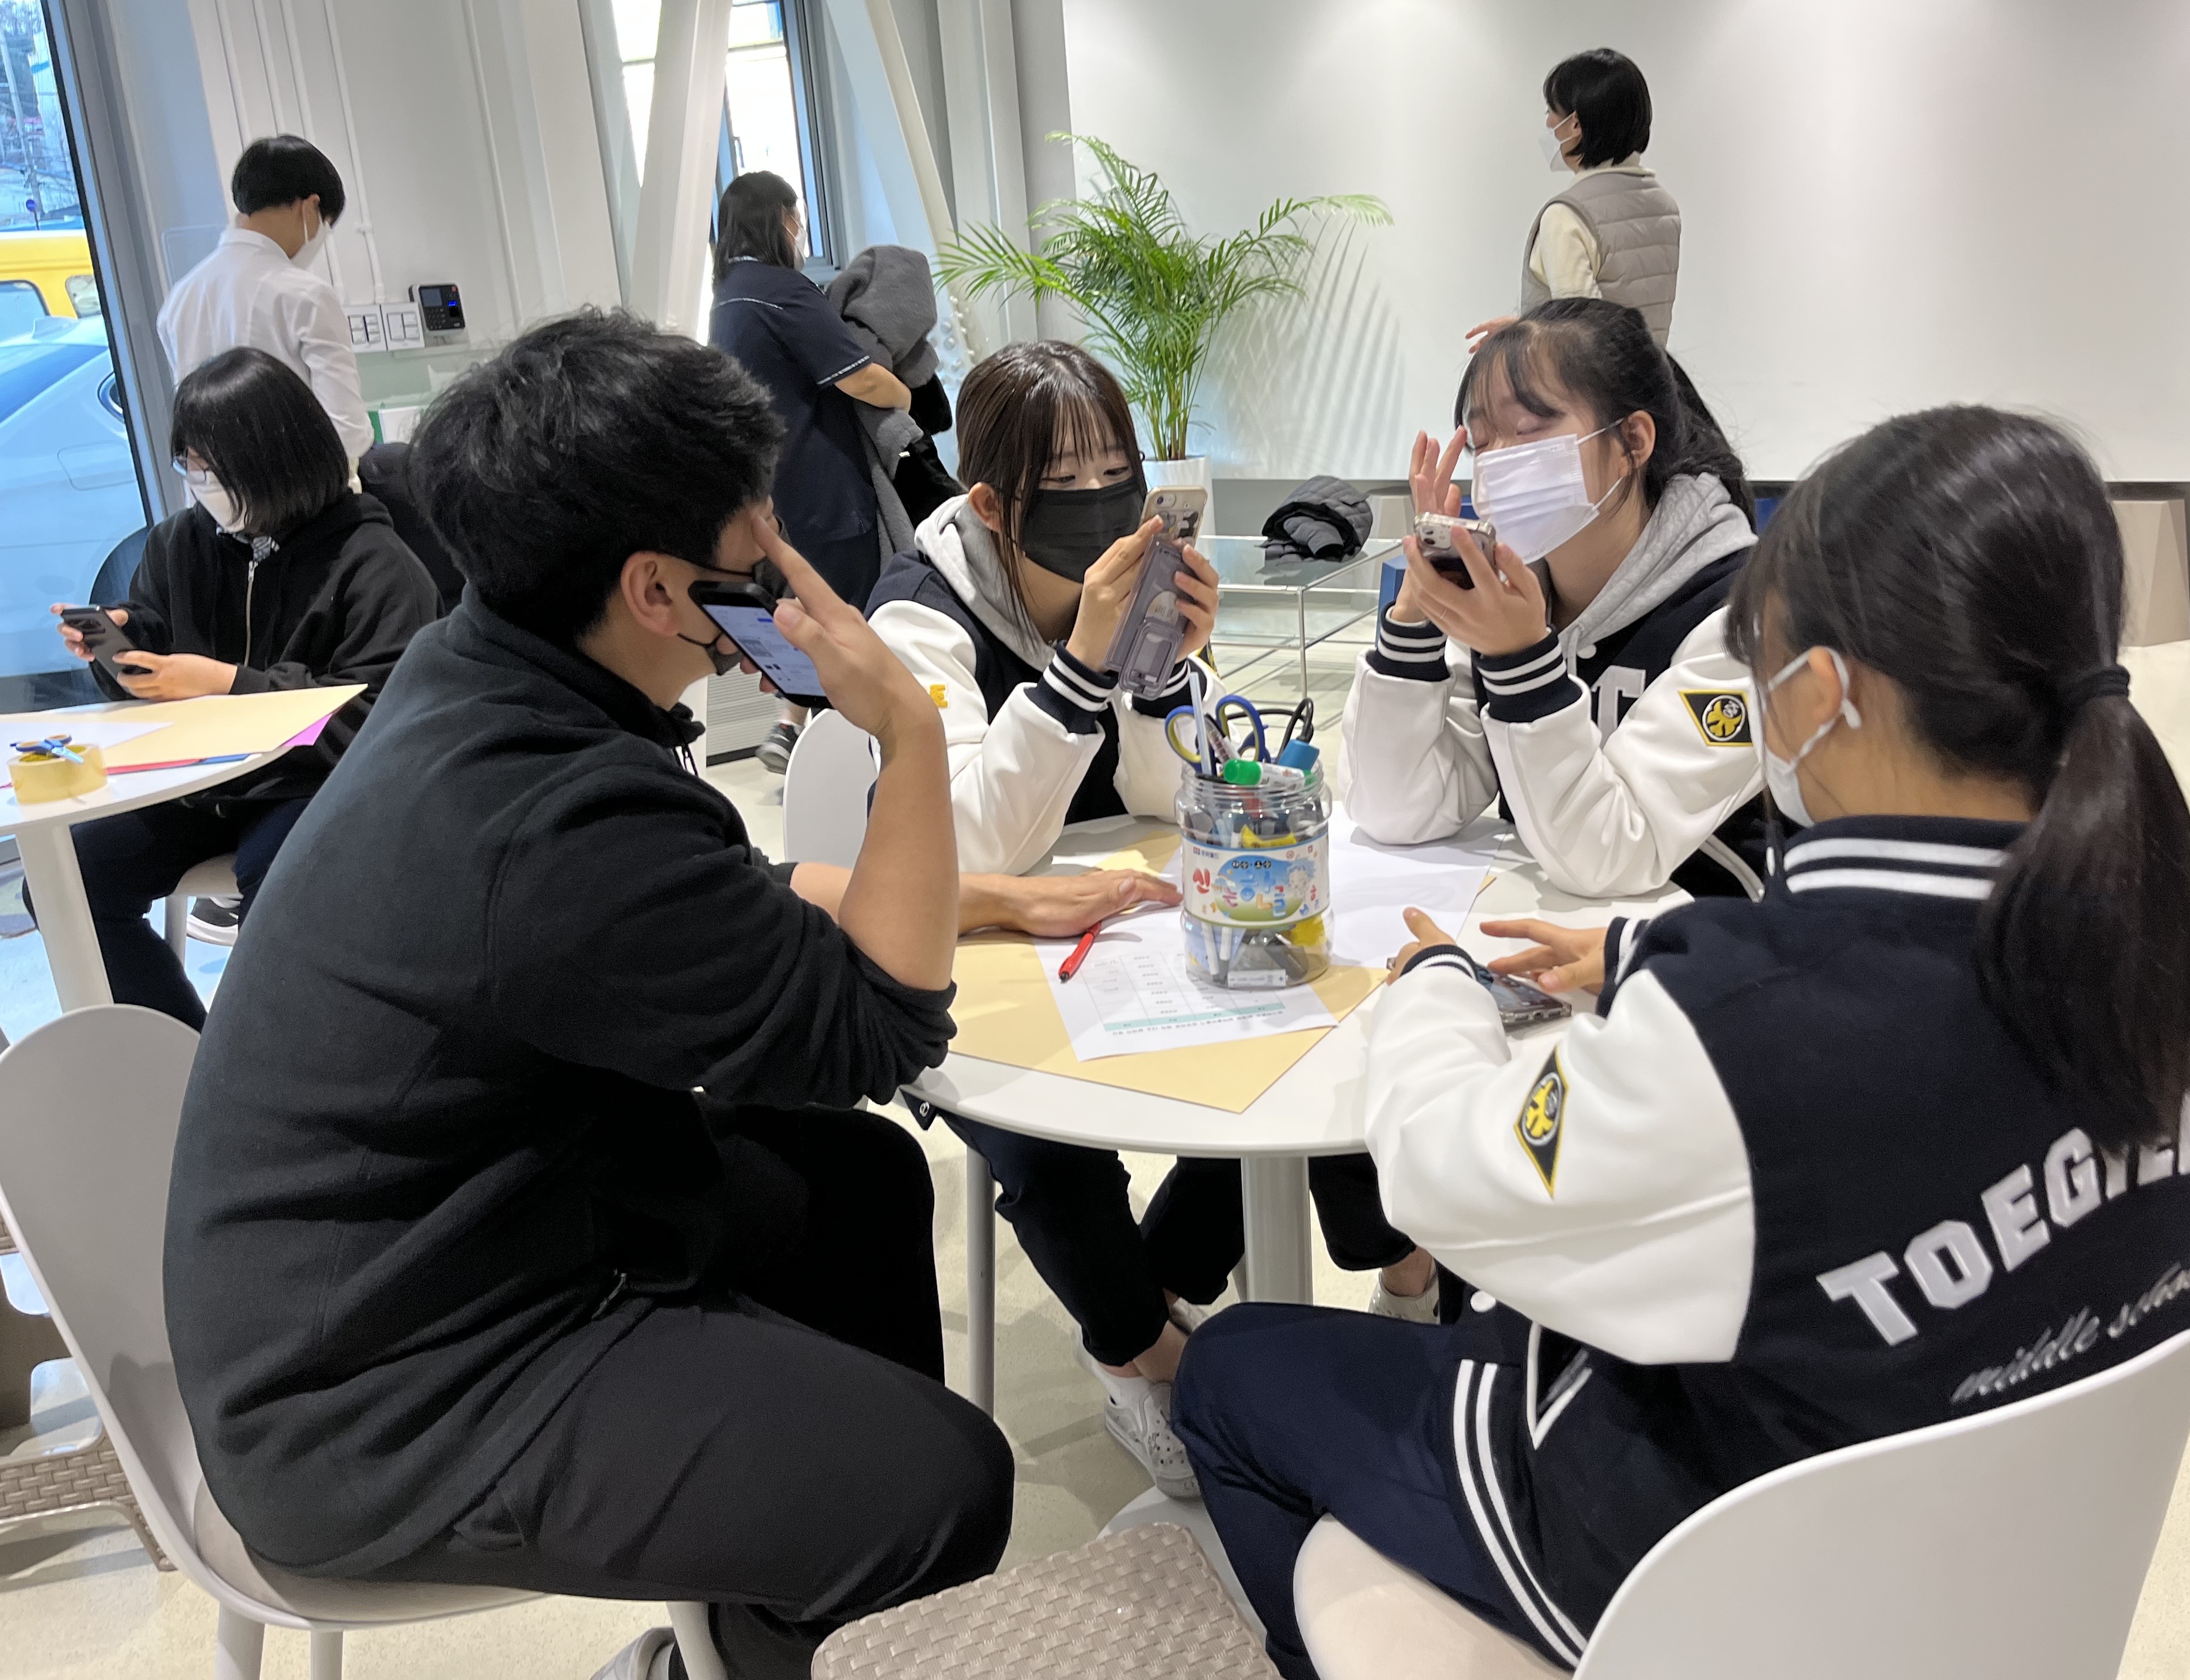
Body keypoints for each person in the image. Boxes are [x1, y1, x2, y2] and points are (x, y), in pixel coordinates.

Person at [1173, 404, 2190, 1677]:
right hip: (1982, 1549)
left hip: (1712, 1575)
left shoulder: (1748, 1029)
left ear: (1825, 696)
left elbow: (1448, 1177)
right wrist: (1642, 954)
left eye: (1761, 671)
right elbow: (1896, 1033)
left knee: (1231, 1370)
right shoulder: (2160, 934)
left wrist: (1437, 986)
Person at [161, 312, 1152, 1680]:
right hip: (380, 1389)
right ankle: (807, 1599)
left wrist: (987, 897)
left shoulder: (486, 671)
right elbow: (882, 1027)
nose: (781, 555)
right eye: (755, 535)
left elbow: (726, 895)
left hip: (442, 1236)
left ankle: (765, 1632)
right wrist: (907, 729)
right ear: (656, 590)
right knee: (941, 1485)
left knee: (856, 1183)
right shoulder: (555, 811)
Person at [865, 339, 1437, 1499]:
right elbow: (965, 846)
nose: (1099, 499)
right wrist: (1082, 670)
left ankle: (1183, 1285)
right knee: (1046, 1140)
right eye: (1062, 481)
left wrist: (1166, 675)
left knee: (1292, 1046)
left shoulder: (1146, 584)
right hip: (972, 939)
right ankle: (1140, 1351)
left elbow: (1182, 798)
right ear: (990, 503)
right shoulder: (919, 615)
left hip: (1130, 914)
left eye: (1114, 472)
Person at [43, 347, 436, 1018]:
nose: (200, 484)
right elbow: (156, 640)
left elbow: (377, 719)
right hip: (199, 787)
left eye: (213, 469)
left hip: (313, 784)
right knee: (68, 883)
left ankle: (271, 1056)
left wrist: (229, 685)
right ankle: (183, 1050)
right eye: (189, 465)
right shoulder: (180, 545)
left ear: (276, 460)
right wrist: (121, 647)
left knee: (276, 888)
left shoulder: (375, 563)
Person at [1345, 298, 1766, 902]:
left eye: (1528, 430)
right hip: (1535, 934)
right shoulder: (1508, 599)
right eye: (1481, 441)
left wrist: (1522, 662)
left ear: (1632, 440)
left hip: (1697, 940)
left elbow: (1611, 854)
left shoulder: (1740, 617)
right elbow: (1396, 809)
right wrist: (1417, 614)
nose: (1496, 463)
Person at [710, 170, 914, 771]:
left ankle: (790, 727)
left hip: (769, 490)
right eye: (795, 216)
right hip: (823, 484)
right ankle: (851, 756)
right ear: (780, 219)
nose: (799, 228)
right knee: (851, 616)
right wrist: (908, 398)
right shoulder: (783, 290)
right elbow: (862, 378)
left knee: (804, 605)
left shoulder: (728, 296)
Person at [158, 134, 374, 463]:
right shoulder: (305, 296)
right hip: (303, 485)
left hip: (218, 487)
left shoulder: (179, 300)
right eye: (326, 225)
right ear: (310, 207)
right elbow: (348, 431)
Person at [1468, 49, 1679, 352]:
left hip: (1579, 384)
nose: (1548, 124)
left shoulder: (1566, 216)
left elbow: (1582, 344)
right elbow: (1616, 322)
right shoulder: (1665, 208)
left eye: (1551, 112)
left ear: (1575, 125)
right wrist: (1525, 327)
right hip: (1652, 379)